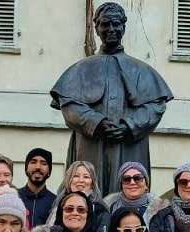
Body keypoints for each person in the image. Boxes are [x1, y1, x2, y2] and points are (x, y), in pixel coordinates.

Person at [50, 2, 173, 197]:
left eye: (116, 24)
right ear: (97, 28)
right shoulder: (81, 69)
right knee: (85, 194)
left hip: (130, 143)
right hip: (91, 142)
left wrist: (128, 125)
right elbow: (69, 105)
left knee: (130, 193)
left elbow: (155, 107)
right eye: (105, 24)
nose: (111, 29)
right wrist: (96, 123)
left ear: (123, 26)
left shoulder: (142, 71)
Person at [47, 161, 111, 232]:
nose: (81, 180)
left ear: (92, 183)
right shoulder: (58, 207)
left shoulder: (100, 210)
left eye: (86, 177)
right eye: (76, 176)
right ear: (69, 181)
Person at [103, 161, 169, 224]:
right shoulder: (108, 209)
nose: (132, 182)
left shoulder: (163, 211)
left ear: (146, 184)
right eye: (126, 179)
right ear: (121, 186)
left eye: (138, 178)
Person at [18, 147, 56, 227]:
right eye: (33, 162)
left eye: (43, 163)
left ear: (49, 171)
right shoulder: (15, 197)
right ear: (26, 168)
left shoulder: (55, 202)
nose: (38, 167)